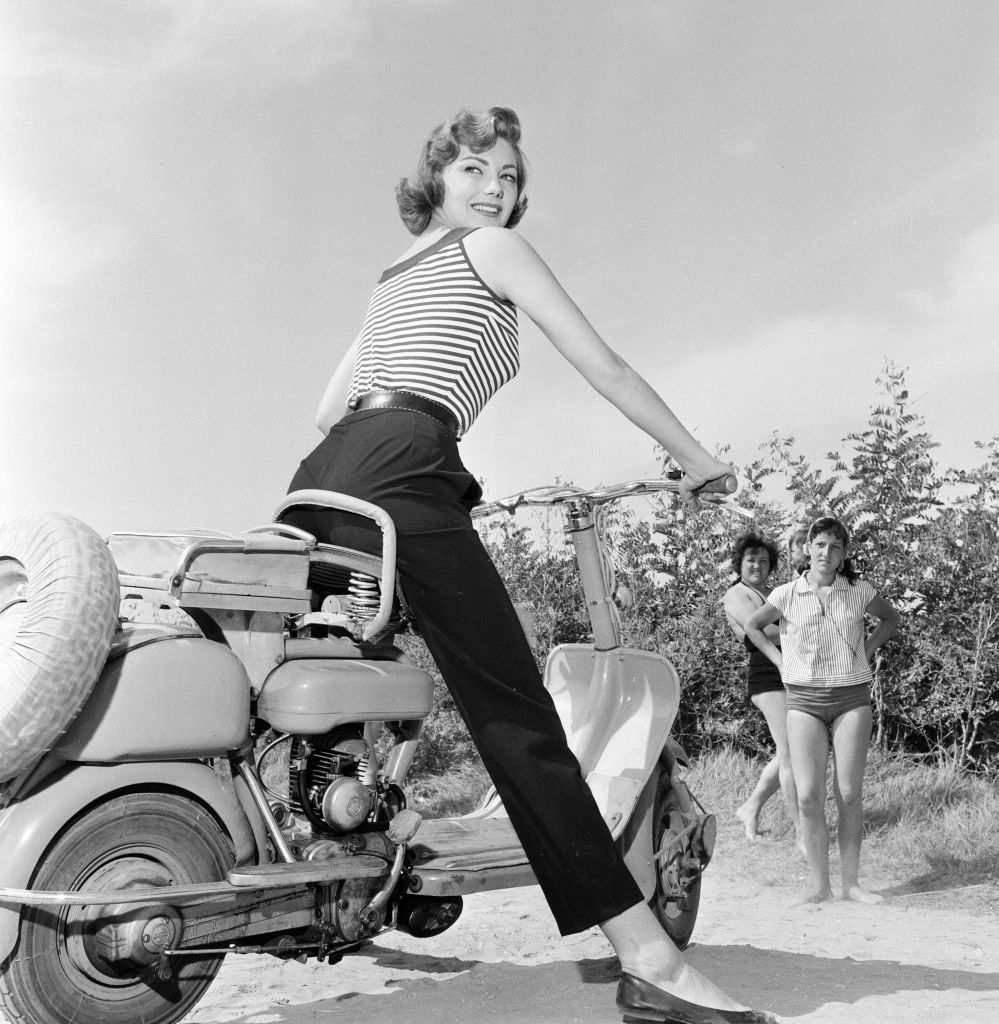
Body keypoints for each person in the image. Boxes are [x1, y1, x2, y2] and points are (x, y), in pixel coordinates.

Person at [285, 107, 773, 1023]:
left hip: (320, 482)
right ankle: (648, 960)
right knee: (515, 717)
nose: (498, 192)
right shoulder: (493, 251)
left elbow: (327, 412)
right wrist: (697, 458)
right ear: (438, 176)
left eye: (509, 180)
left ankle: (340, 855)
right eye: (477, 169)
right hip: (407, 470)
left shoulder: (389, 277)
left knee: (341, 683)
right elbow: (606, 364)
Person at [744, 517, 900, 906]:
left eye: (834, 547)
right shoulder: (785, 593)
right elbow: (753, 625)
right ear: (807, 548)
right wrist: (779, 661)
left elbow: (891, 619)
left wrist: (865, 652)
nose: (825, 553)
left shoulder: (860, 591)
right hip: (803, 702)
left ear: (844, 554)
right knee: (809, 796)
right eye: (819, 545)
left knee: (848, 792)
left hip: (851, 699)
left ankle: (851, 885)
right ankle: (819, 886)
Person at [721, 533, 801, 849]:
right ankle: (801, 831)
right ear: (740, 563)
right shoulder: (736, 594)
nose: (757, 565)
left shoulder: (772, 592)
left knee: (788, 752)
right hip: (767, 673)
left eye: (764, 561)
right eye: (751, 559)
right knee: (792, 753)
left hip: (794, 669)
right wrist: (792, 620)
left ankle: (750, 807)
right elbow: (764, 629)